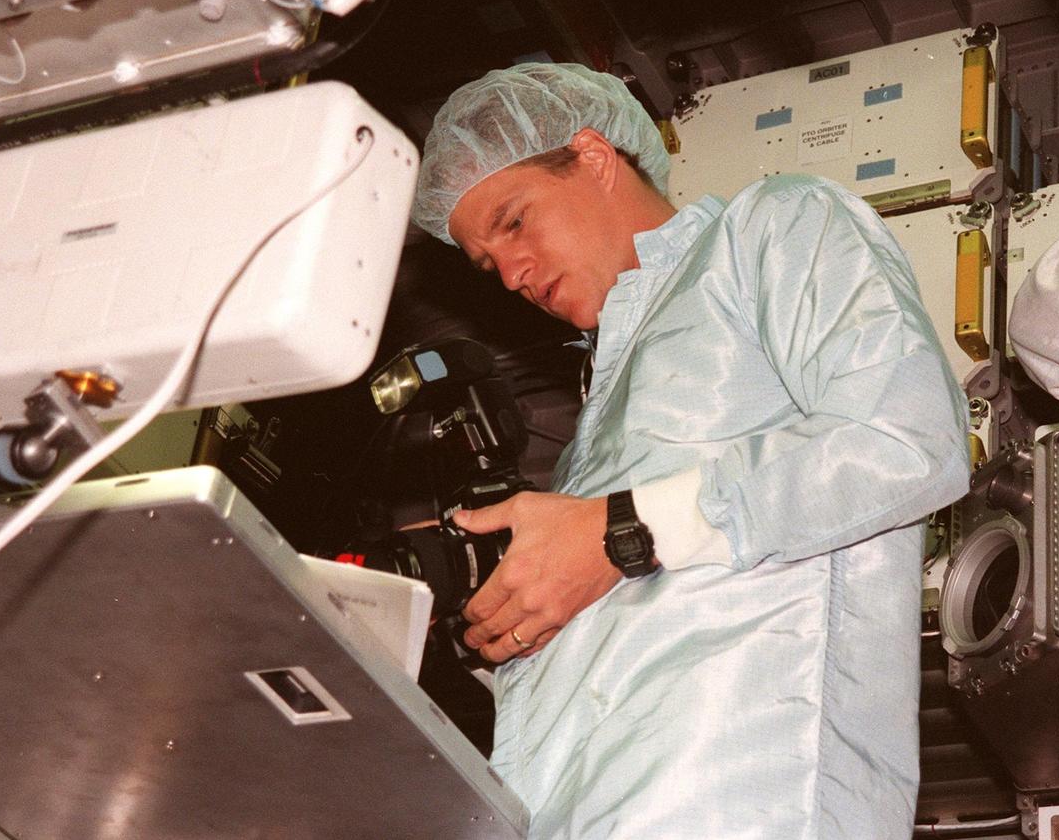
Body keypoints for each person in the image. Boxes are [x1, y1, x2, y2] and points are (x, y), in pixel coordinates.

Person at [411, 62, 970, 839]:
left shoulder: (770, 228)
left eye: (513, 222)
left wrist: (621, 530)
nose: (511, 274)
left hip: (733, 803)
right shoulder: (590, 442)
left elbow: (907, 439)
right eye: (487, 265)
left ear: (595, 156)